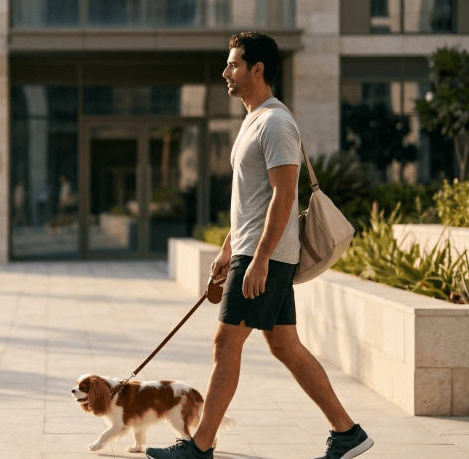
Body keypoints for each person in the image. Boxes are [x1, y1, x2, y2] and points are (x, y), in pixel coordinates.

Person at [145, 33, 373, 459]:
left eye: (233, 65)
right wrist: (229, 247)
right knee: (284, 345)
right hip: (252, 251)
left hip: (265, 257)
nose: (225, 72)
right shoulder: (252, 121)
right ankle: (348, 432)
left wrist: (260, 259)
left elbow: (283, 195)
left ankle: (200, 446)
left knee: (225, 343)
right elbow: (253, 202)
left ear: (258, 70)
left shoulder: (275, 123)